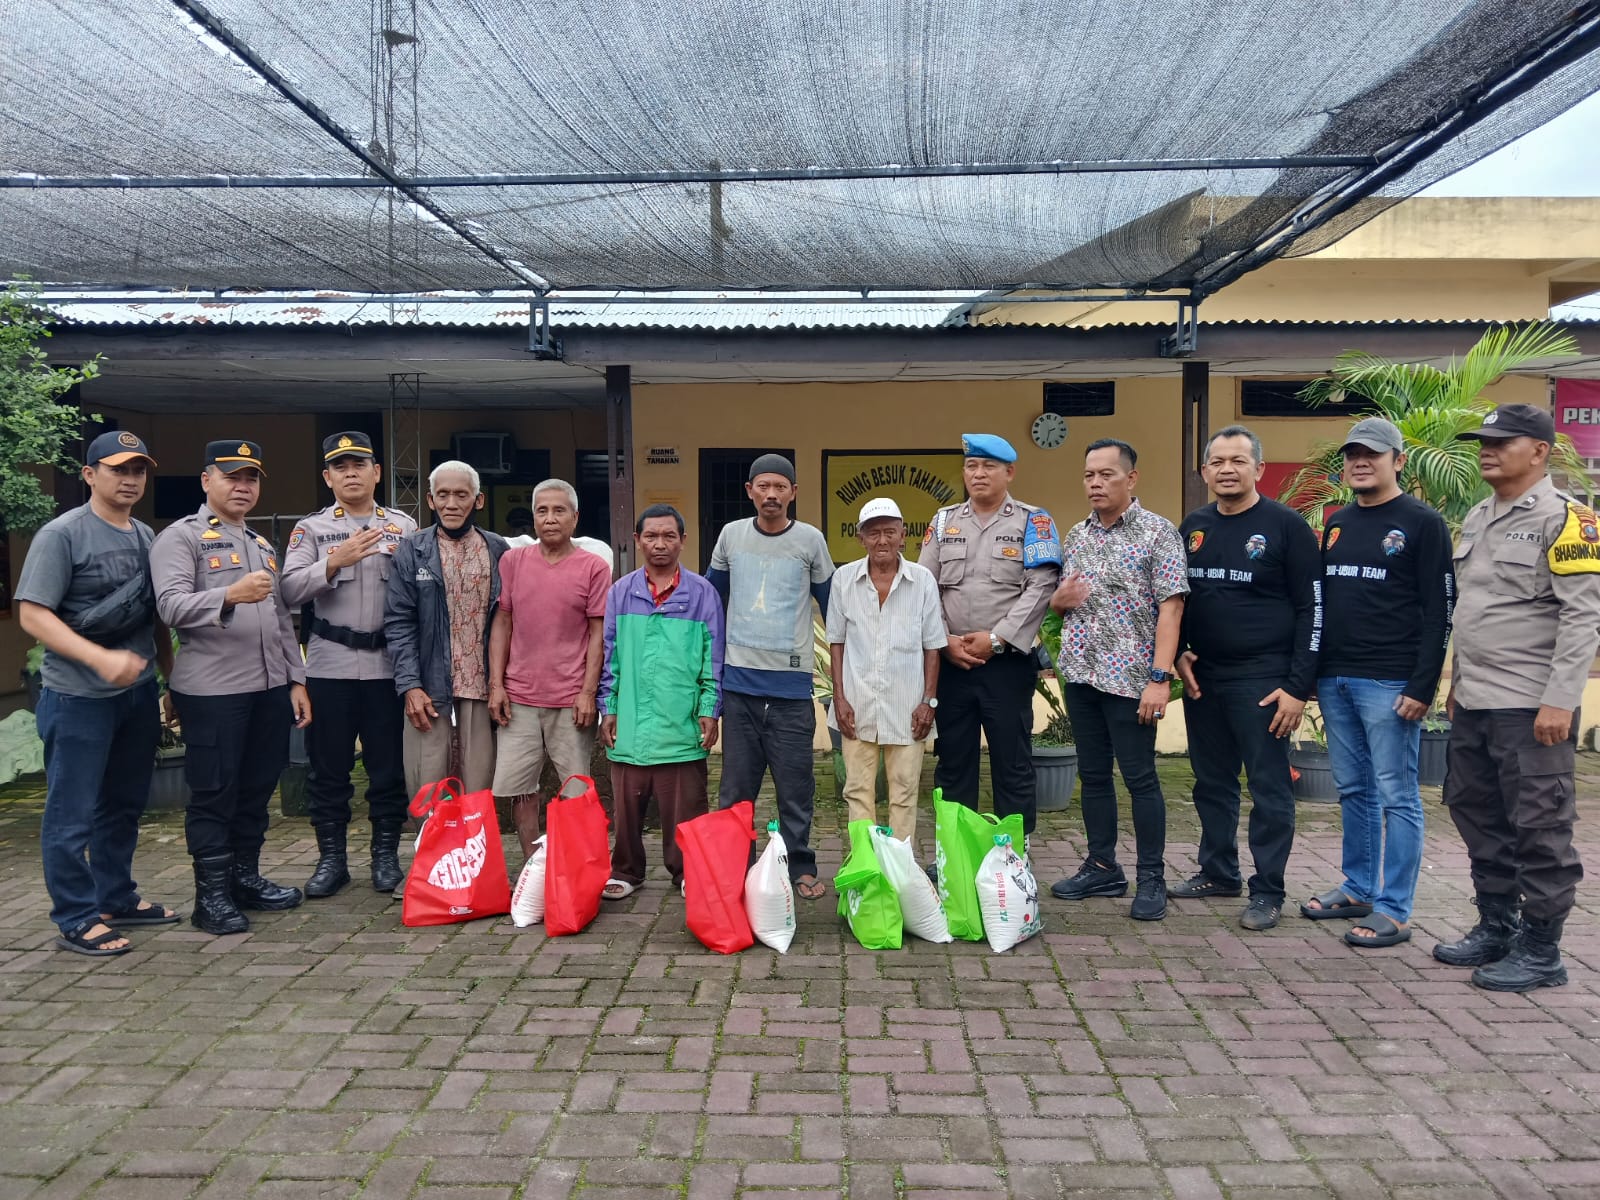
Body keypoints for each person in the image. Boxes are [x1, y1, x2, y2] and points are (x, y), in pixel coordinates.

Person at [1436, 403, 1600, 990]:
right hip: (1478, 699)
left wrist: (1561, 700)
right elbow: (1477, 612)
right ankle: (1497, 926)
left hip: (1532, 705)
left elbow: (1583, 618)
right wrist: (1457, 683)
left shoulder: (1569, 520)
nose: (1487, 448)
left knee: (1540, 825)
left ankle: (1542, 950)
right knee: (1477, 813)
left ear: (1541, 451)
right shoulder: (1479, 516)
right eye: (1484, 439)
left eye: (1502, 441)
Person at [17, 430, 178, 955]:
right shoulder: (61, 535)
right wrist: (99, 659)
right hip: (77, 698)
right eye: (117, 469)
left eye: (138, 470)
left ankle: (116, 897)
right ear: (89, 475)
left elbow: (153, 614)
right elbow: (32, 614)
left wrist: (169, 677)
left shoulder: (145, 537)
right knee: (72, 813)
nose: (130, 479)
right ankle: (75, 915)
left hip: (134, 697)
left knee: (123, 806)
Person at [1300, 416, 1453, 949]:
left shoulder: (1422, 522)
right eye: (1352, 454)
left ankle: (1395, 909)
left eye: (1373, 453)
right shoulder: (1338, 521)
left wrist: (1422, 686)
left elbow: (1440, 611)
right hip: (1337, 677)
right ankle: (1359, 887)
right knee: (1352, 789)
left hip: (1391, 682)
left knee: (1397, 795)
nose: (1360, 462)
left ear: (1399, 461)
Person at [150, 439, 311, 935]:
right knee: (214, 791)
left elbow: (282, 619)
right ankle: (211, 898)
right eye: (232, 476)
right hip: (214, 691)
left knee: (257, 787)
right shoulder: (181, 538)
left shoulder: (260, 543)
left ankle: (245, 878)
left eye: (252, 478)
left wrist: (296, 680)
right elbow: (170, 606)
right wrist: (229, 595)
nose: (243, 486)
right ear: (206, 481)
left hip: (267, 689)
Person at [1173, 425, 1321, 931]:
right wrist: (1180, 654)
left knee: (1268, 787)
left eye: (1238, 461)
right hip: (1204, 678)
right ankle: (1218, 872)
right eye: (1217, 462)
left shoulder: (1286, 527)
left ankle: (1268, 890)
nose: (1227, 470)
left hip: (1265, 679)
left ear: (1259, 468)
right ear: (1204, 471)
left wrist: (1299, 686)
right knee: (1211, 782)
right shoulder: (1193, 525)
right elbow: (1178, 600)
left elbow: (1312, 609)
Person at [1049, 438, 1187, 921]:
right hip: (1082, 675)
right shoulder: (1078, 534)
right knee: (1092, 776)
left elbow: (1171, 609)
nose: (1095, 483)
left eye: (1106, 474)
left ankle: (1152, 877)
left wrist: (1159, 678)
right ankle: (1102, 865)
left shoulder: (1159, 533)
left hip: (1131, 680)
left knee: (1140, 779)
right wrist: (1058, 603)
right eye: (1089, 475)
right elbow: (1064, 600)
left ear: (1131, 479)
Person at [280, 432, 418, 898]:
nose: (351, 472)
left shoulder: (402, 525)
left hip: (386, 667)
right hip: (330, 666)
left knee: (388, 770)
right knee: (329, 769)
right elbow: (288, 591)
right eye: (340, 466)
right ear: (328, 477)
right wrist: (331, 563)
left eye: (359, 463)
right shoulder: (311, 530)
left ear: (377, 472)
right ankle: (331, 860)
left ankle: (385, 858)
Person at [917, 434, 1061, 852]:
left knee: (1012, 762)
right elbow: (925, 586)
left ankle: (1012, 853)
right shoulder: (944, 521)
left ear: (1009, 472)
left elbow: (1040, 589)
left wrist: (997, 639)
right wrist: (944, 642)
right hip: (953, 665)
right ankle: (956, 855)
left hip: (1007, 665)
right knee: (954, 762)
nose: (977, 474)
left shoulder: (1034, 522)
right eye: (971, 466)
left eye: (988, 467)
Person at [706, 453, 833, 899]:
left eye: (781, 487)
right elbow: (711, 602)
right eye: (763, 486)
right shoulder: (731, 536)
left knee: (796, 787)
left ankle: (799, 864)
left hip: (792, 690)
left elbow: (831, 604)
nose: (772, 494)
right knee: (736, 789)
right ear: (750, 491)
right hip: (739, 687)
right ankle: (732, 866)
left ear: (794, 493)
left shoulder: (810, 541)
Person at [599, 504, 724, 898]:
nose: (659, 544)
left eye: (669, 536)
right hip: (631, 721)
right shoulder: (621, 592)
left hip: (680, 721)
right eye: (651, 536)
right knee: (627, 809)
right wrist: (610, 706)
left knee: (686, 810)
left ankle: (687, 871)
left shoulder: (702, 593)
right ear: (637, 541)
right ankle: (627, 871)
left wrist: (708, 709)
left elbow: (713, 658)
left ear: (683, 542)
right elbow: (610, 656)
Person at [488, 479, 610, 856]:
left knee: (575, 789)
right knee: (520, 788)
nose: (550, 518)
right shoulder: (513, 562)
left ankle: (573, 866)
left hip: (570, 699)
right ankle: (532, 864)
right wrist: (496, 684)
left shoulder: (593, 567)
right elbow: (503, 623)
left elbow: (598, 633)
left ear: (575, 518)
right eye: (542, 511)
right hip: (519, 697)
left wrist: (589, 693)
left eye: (559, 511)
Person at [384, 461, 509, 805]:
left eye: (461, 494)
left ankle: (474, 858)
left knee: (478, 791)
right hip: (429, 687)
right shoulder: (412, 550)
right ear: (430, 500)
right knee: (427, 790)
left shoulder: (499, 550)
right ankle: (431, 858)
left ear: (478, 501)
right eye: (443, 495)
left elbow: (510, 620)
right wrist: (410, 685)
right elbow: (399, 623)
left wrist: (503, 685)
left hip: (481, 689)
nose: (451, 503)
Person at [826, 497, 946, 841]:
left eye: (889, 532)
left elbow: (932, 645)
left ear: (903, 535)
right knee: (858, 792)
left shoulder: (922, 580)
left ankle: (899, 870)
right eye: (873, 533)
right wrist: (840, 698)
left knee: (905, 794)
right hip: (857, 703)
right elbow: (837, 641)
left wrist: (929, 702)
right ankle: (866, 869)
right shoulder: (844, 579)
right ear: (861, 538)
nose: (882, 541)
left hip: (908, 706)